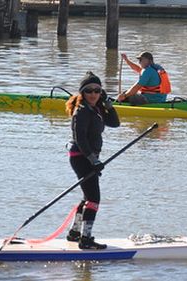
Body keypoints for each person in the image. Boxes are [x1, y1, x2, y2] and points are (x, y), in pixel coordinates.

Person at [65, 71, 120, 250]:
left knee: (87, 197)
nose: (93, 94)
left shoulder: (96, 108)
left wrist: (109, 107)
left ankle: (74, 233)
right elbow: (80, 139)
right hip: (81, 157)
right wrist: (93, 160)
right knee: (94, 198)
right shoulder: (81, 112)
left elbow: (115, 123)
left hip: (89, 157)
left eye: (97, 91)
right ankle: (86, 240)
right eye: (89, 91)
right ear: (82, 93)